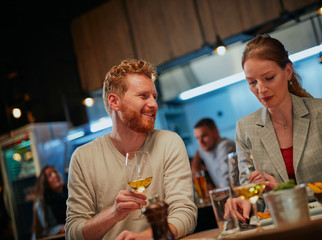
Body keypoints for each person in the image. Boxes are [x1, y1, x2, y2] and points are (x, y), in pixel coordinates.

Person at [65, 59, 197, 240]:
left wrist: (148, 237)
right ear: (114, 102)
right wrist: (113, 213)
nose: (154, 104)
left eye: (154, 96)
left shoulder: (169, 143)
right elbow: (73, 233)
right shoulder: (83, 158)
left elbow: (185, 212)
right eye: (143, 96)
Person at [233, 34, 322, 220]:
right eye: (252, 82)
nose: (260, 89)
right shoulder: (245, 129)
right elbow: (256, 200)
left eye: (268, 78)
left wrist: (289, 193)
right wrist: (244, 202)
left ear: (288, 71)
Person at [191, 118, 236, 188]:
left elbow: (226, 186)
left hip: (238, 195)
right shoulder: (205, 148)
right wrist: (202, 186)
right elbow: (198, 153)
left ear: (216, 132)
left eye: (204, 136)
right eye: (197, 138)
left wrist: (209, 192)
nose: (200, 142)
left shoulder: (225, 146)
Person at [32, 165, 67, 239]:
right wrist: (72, 226)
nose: (55, 175)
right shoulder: (42, 201)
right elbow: (48, 230)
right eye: (49, 175)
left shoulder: (69, 192)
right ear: (45, 183)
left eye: (56, 172)